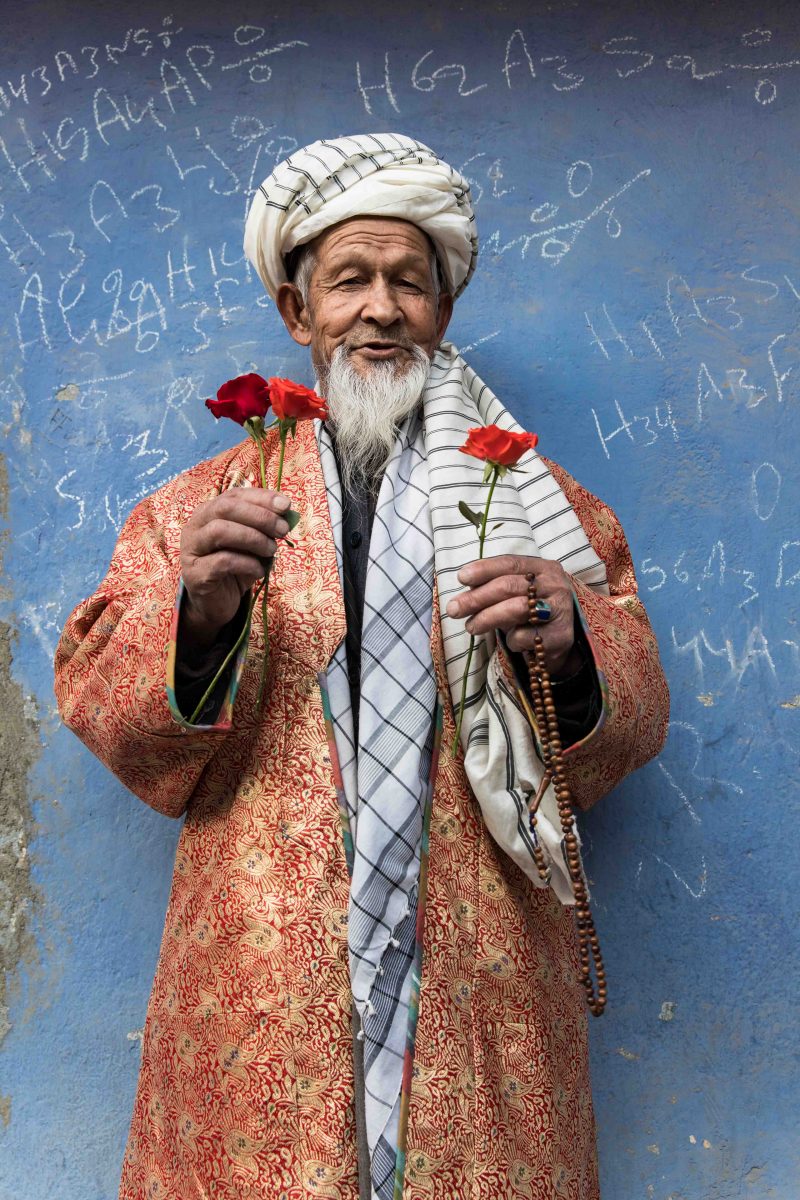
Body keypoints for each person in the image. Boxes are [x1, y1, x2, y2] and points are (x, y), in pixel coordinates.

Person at [55, 133, 669, 1200]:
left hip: (480, 975)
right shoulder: (199, 507)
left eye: (409, 284)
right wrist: (196, 615)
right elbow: (108, 712)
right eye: (349, 281)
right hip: (257, 978)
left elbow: (634, 713)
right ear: (299, 316)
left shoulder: (534, 505)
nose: (381, 310)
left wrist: (572, 643)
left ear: (441, 311)